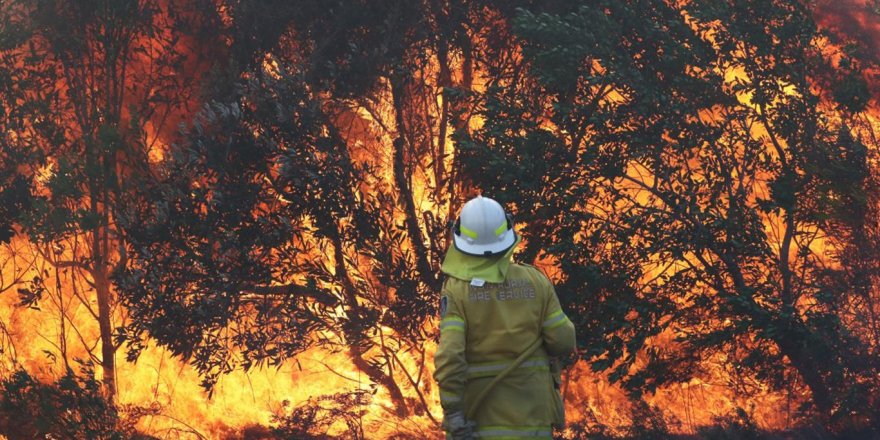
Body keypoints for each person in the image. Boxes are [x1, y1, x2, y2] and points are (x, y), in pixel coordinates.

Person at [434, 195, 577, 440]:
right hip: (534, 424)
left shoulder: (456, 291)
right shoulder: (535, 281)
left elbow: (450, 359)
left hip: (480, 425)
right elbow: (563, 341)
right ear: (509, 230)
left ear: (459, 237)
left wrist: (453, 413)